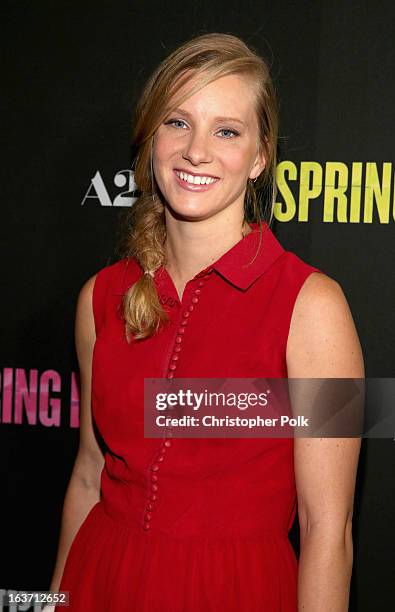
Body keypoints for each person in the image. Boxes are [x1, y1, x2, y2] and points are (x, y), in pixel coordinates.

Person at [49, 32, 364, 611]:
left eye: (227, 130)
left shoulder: (313, 308)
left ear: (260, 155)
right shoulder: (100, 298)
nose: (197, 150)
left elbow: (328, 531)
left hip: (233, 592)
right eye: (177, 122)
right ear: (150, 140)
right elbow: (88, 479)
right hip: (100, 581)